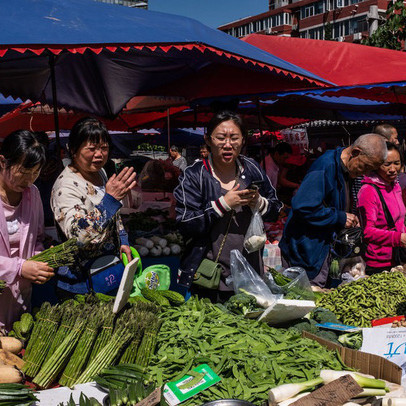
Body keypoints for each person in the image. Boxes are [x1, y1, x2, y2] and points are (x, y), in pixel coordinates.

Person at [174, 111, 283, 302]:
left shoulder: (252, 168)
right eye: (220, 138)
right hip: (209, 275)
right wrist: (223, 204)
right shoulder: (194, 175)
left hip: (250, 273)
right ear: (208, 140)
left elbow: (275, 209)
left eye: (234, 138)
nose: (227, 145)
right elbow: (185, 223)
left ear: (243, 140)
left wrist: (259, 203)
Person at [279, 134, 387, 287]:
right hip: (306, 251)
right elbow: (303, 207)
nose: (365, 174)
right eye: (365, 167)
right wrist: (340, 217)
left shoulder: (345, 169)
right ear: (355, 152)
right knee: (307, 300)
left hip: (322, 249)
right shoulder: (326, 166)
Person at [51, 118, 136, 299]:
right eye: (91, 149)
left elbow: (115, 214)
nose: (99, 154)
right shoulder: (65, 186)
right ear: (73, 150)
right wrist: (110, 199)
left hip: (107, 270)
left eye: (104, 148)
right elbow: (79, 236)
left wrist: (123, 240)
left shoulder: (100, 172)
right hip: (80, 283)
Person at [0, 130, 53, 331]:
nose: (29, 180)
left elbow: (37, 237)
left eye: (35, 173)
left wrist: (40, 260)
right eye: (23, 171)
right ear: (3, 162)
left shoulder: (33, 195)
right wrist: (20, 268)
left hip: (21, 301)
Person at [358, 143, 406, 274]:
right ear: (376, 165)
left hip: (397, 257)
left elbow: (398, 221)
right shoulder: (368, 191)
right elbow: (367, 231)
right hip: (378, 262)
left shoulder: (395, 186)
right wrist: (399, 238)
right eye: (387, 164)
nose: (393, 169)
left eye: (397, 163)